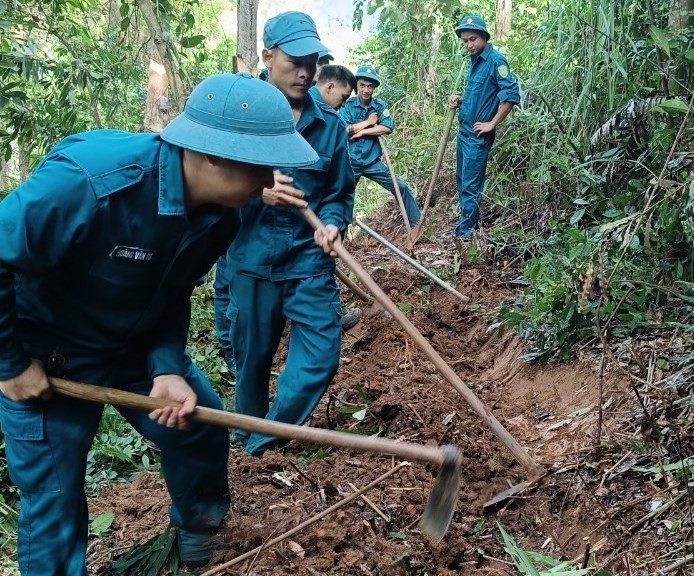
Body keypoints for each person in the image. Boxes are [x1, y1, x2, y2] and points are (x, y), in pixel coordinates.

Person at [0, 72, 317, 575]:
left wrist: (167, 366)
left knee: (198, 428)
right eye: (262, 167)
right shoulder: (90, 183)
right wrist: (11, 363)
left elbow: (172, 291)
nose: (268, 184)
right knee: (54, 497)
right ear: (213, 153)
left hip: (132, 348)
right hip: (47, 355)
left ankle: (196, 532)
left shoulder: (222, 216)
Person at [226, 11, 355, 457]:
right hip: (251, 260)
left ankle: (261, 441)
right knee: (252, 362)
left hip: (308, 262)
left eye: (312, 62)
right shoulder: (237, 114)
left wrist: (334, 222)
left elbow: (339, 193)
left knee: (320, 355)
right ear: (267, 56)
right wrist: (255, 192)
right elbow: (207, 185)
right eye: (294, 61)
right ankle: (247, 432)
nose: (305, 72)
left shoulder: (331, 128)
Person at [448, 15, 520, 242]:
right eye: (465, 41)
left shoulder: (496, 62)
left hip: (478, 137)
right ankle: (466, 224)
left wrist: (492, 123)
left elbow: (510, 96)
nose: (469, 45)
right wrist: (460, 101)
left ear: (484, 37)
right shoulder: (475, 61)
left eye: (473, 39)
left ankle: (465, 235)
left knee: (470, 185)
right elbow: (480, 96)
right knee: (462, 180)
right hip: (464, 132)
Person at [340, 65, 421, 226]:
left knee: (401, 187)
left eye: (370, 86)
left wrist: (362, 132)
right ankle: (340, 237)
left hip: (372, 162)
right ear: (357, 85)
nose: (366, 90)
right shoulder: (347, 105)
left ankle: (416, 225)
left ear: (374, 88)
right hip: (350, 162)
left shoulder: (379, 105)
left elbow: (387, 127)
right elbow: (345, 130)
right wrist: (369, 123)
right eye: (362, 85)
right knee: (341, 197)